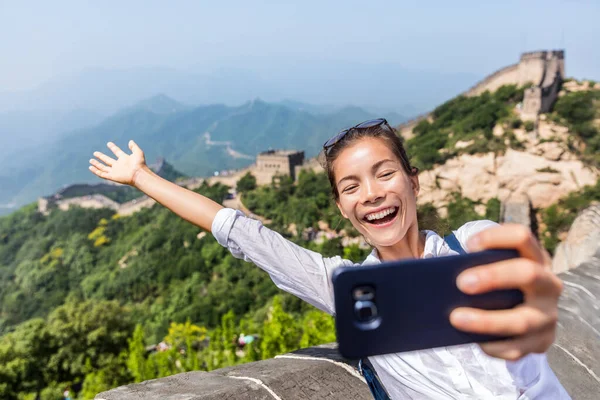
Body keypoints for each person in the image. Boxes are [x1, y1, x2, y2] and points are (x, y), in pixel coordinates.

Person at [89, 119, 569, 399]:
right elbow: (238, 231)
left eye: (385, 173)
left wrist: (536, 297)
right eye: (352, 186)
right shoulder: (347, 288)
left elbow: (530, 275)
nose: (373, 194)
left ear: (414, 181)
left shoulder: (475, 244)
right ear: (341, 206)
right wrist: (141, 178)